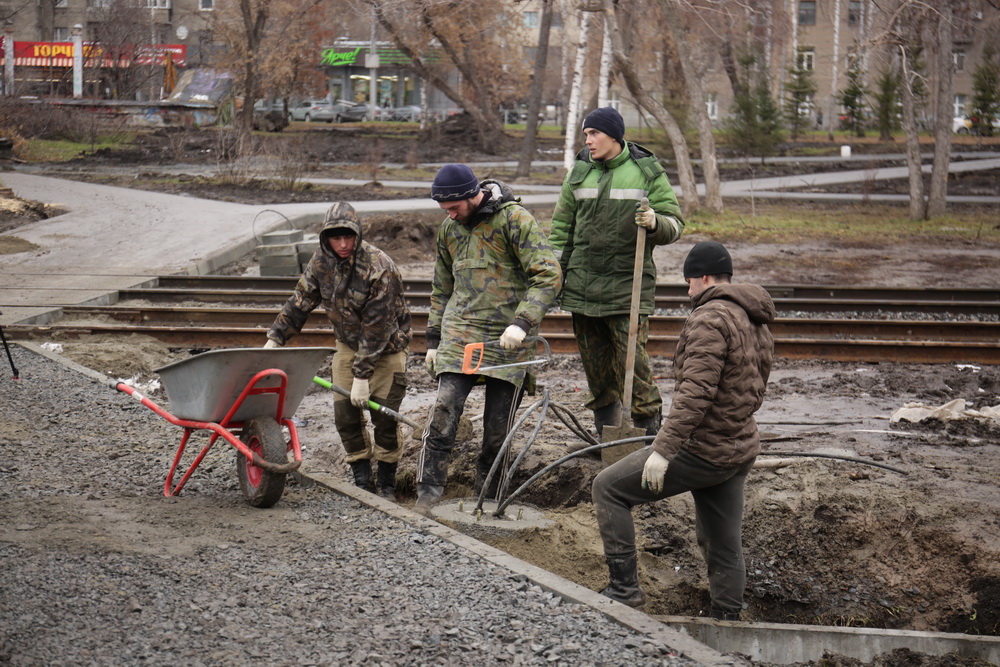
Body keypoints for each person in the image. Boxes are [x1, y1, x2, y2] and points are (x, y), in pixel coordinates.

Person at [591, 241, 775, 620]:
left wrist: (662, 450)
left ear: (704, 278)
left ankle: (624, 590)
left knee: (607, 488)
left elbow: (696, 394)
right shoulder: (753, 318)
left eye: (689, 282)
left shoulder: (710, 318)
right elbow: (757, 386)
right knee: (723, 541)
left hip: (703, 448)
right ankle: (727, 616)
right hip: (738, 446)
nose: (688, 290)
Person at [416, 164, 562, 515]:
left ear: (472, 194)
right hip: (459, 335)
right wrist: (433, 340)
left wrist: (523, 323)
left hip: (507, 339)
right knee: (444, 408)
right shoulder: (450, 229)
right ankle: (428, 492)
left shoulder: (514, 220)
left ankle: (490, 497)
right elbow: (441, 287)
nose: (449, 215)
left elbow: (549, 275)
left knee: (498, 427)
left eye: (454, 207)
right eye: (444, 210)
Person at [549, 106, 685, 439]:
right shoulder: (579, 171)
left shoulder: (646, 172)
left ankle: (646, 434)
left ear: (614, 135)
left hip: (628, 285)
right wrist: (552, 274)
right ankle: (608, 436)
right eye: (585, 134)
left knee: (633, 367)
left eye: (593, 133)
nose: (588, 140)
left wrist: (656, 223)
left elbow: (675, 223)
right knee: (596, 370)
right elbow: (561, 229)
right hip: (582, 286)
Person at [265, 202, 412, 498]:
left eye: (349, 237)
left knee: (384, 418)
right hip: (347, 346)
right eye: (336, 238)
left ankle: (386, 483)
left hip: (385, 350)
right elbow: (301, 299)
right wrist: (275, 338)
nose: (343, 245)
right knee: (345, 416)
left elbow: (377, 328)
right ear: (325, 237)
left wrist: (361, 376)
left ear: (358, 235)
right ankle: (361, 478)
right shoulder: (322, 261)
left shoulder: (379, 267)